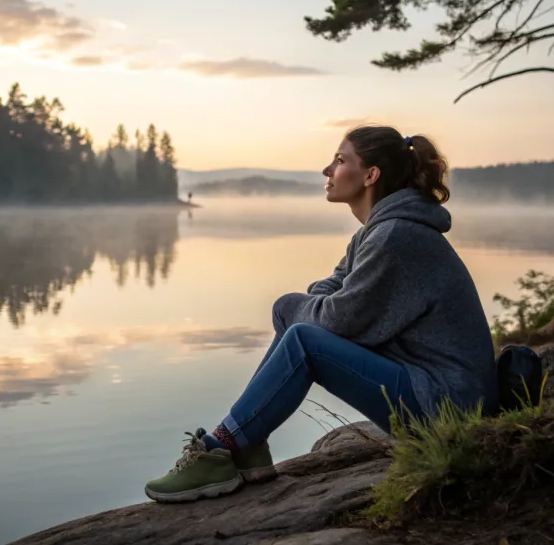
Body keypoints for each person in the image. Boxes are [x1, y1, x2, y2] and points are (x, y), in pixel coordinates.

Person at [144, 125, 498, 503]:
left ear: (370, 175)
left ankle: (224, 446)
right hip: (426, 384)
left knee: (303, 338)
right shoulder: (374, 234)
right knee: (293, 317)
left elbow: (337, 320)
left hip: (448, 407)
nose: (327, 170)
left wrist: (300, 307)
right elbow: (330, 290)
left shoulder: (397, 237)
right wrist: (300, 307)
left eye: (340, 160)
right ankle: (246, 445)